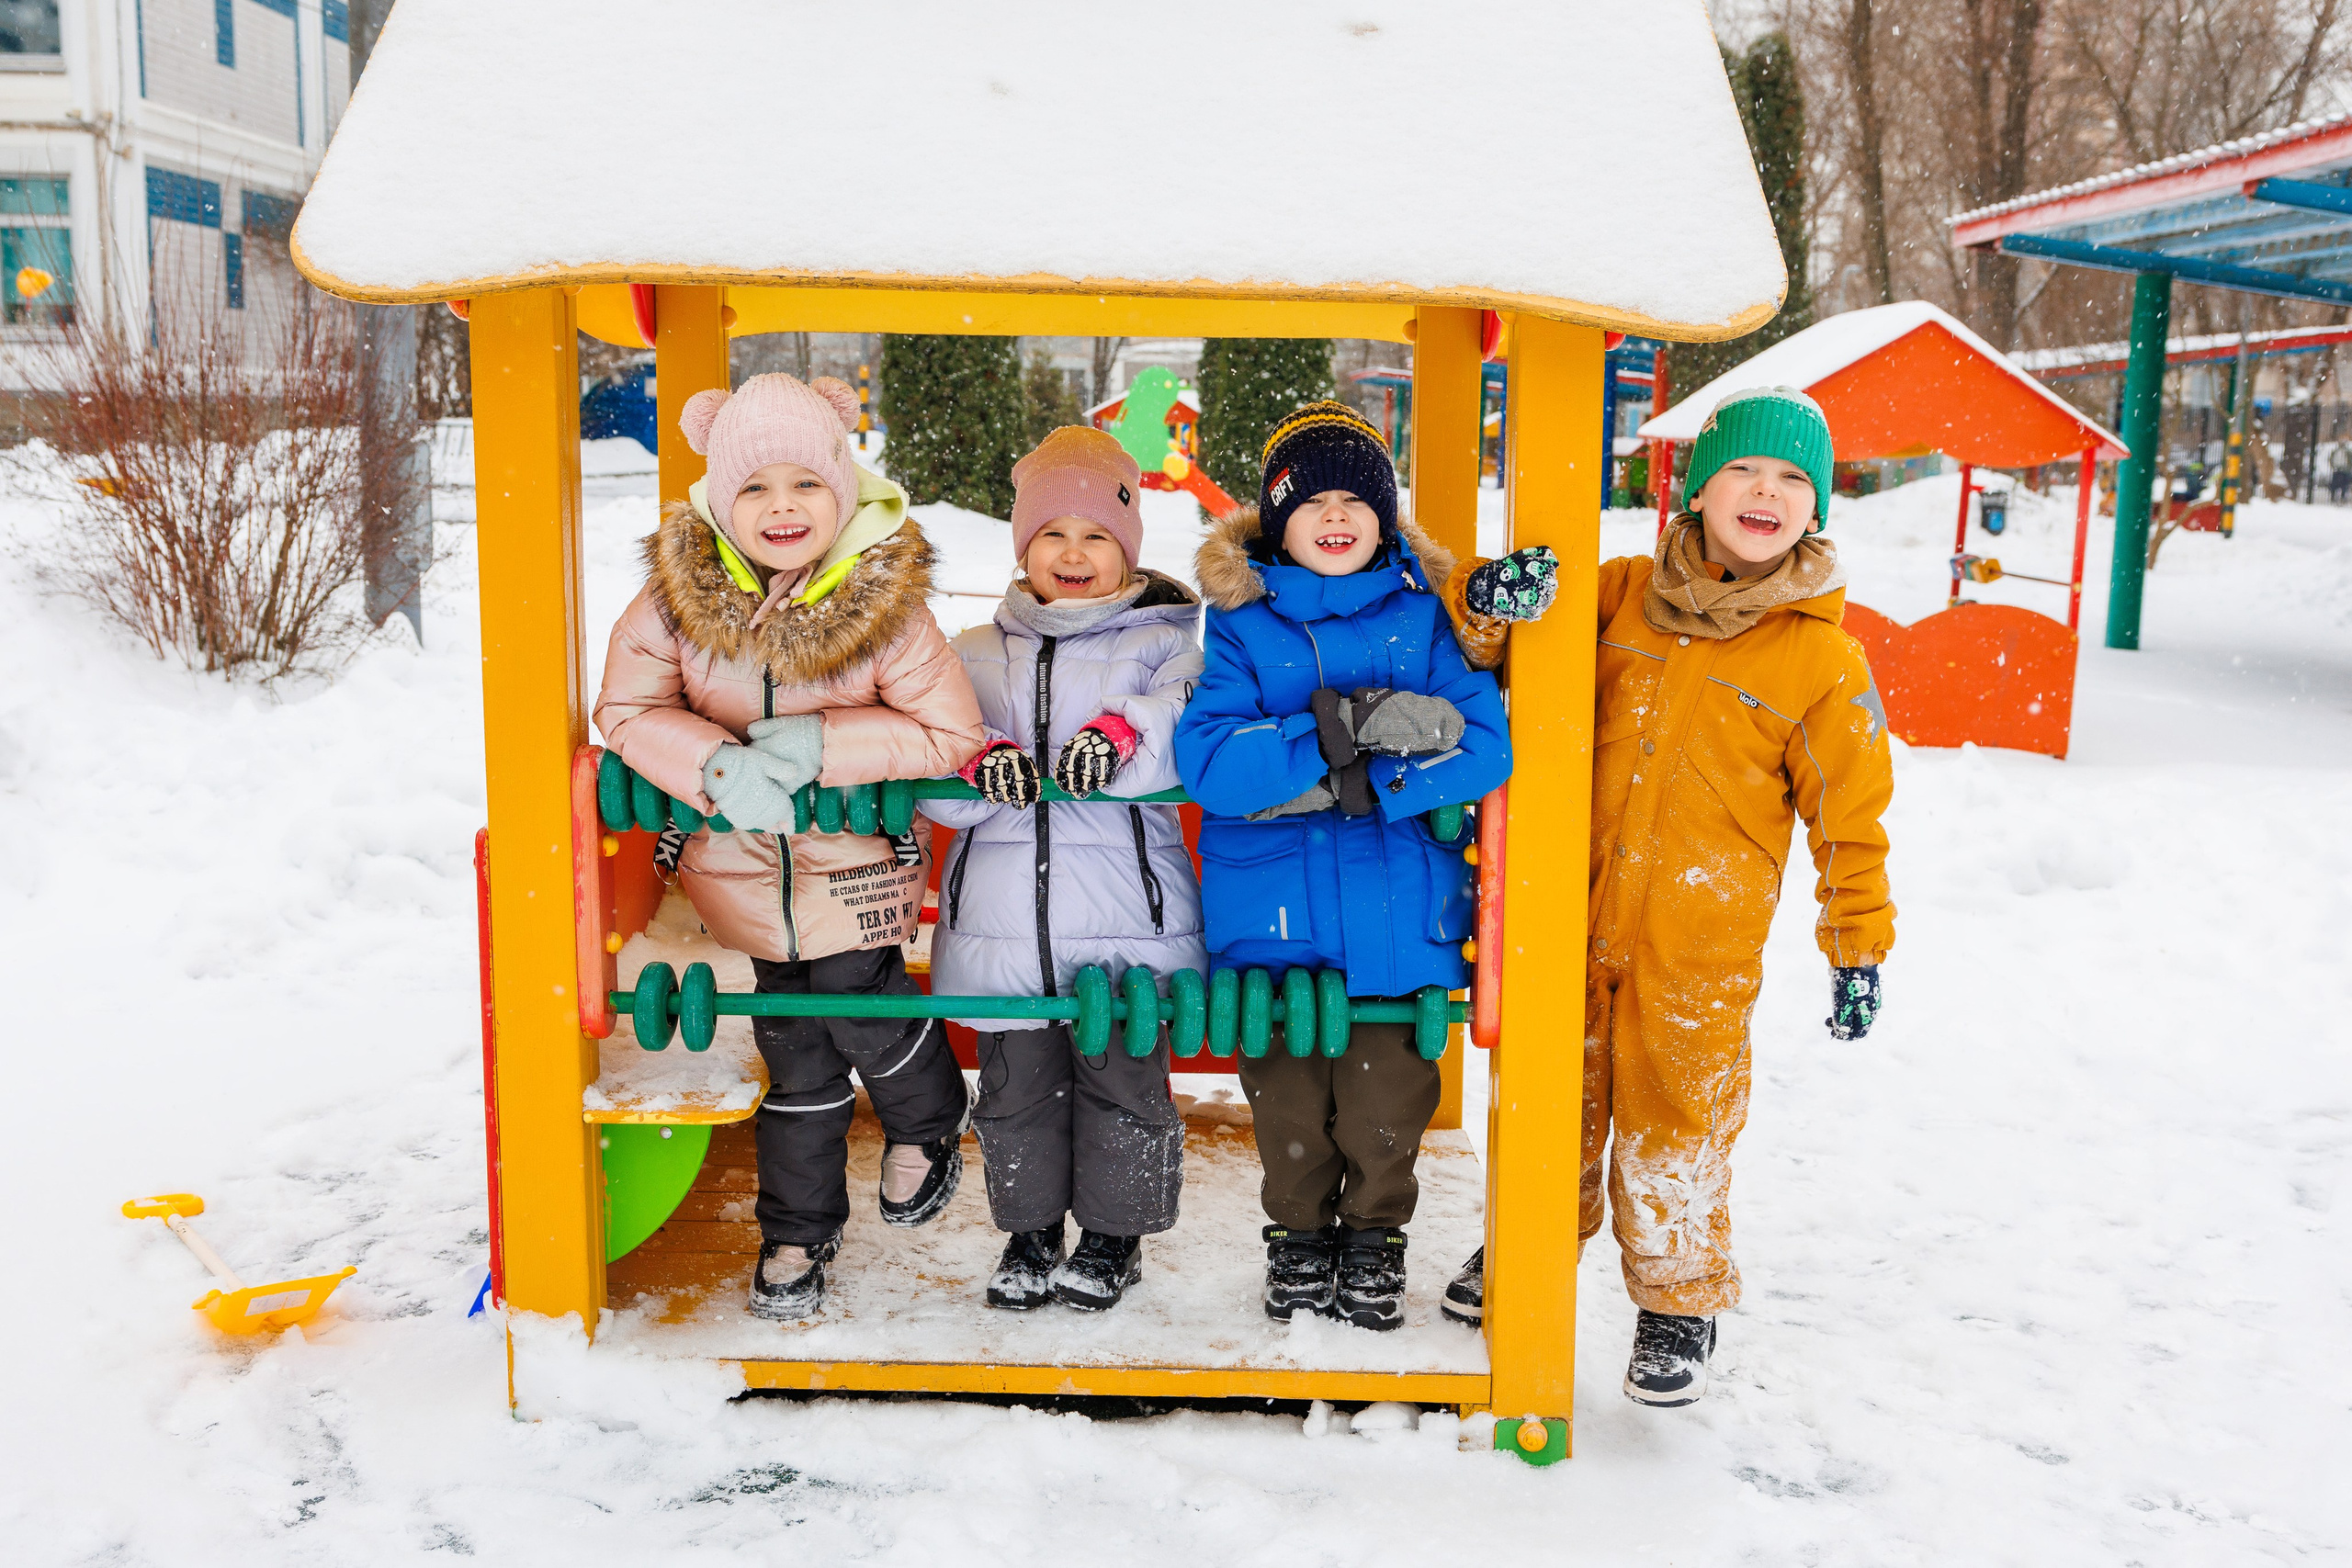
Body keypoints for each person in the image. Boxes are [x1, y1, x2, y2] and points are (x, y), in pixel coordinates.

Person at [1440, 385, 1895, 1405]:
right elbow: (1486, 650)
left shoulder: (1822, 660)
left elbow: (1849, 816)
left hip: (1697, 946)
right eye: (1742, 469)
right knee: (1554, 1102)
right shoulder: (1616, 595)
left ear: (1813, 508)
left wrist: (1856, 944)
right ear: (1699, 488)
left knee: (1676, 1124)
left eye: (1790, 479)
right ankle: (1523, 1251)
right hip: (1564, 915)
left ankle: (1677, 1302)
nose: (1764, 492)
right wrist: (1489, 604)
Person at [594, 373, 988, 1321]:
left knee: (856, 991)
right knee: (793, 1045)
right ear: (719, 499)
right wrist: (716, 767)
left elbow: (952, 736)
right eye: (755, 486)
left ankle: (926, 1121)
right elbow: (627, 708)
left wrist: (822, 746)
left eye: (805, 484)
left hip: (859, 858)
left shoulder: (885, 606)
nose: (781, 507)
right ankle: (799, 1229)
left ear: (842, 491)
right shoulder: (673, 604)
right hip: (735, 866)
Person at [1176, 401, 1549, 1331]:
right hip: (1273, 917)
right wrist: (1344, 730)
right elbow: (1214, 764)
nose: (1335, 516)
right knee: (1291, 1109)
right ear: (1275, 519)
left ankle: (1375, 1243)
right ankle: (1298, 1242)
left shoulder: (1423, 620)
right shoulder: (1241, 624)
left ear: (1385, 517)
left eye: (1357, 499)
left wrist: (1348, 785)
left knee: (1386, 1109)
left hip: (1397, 911)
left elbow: (1482, 748)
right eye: (1312, 503)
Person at [921, 427, 1204, 1313]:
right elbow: (936, 773)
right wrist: (974, 762)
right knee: (1014, 1092)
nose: (1073, 553)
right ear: (1022, 546)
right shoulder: (969, 652)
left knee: (1124, 1080)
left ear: (1128, 552)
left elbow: (1185, 736)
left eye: (1096, 537)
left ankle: (1115, 1238)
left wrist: (1124, 734)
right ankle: (1031, 1231)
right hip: (1000, 923)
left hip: (1128, 917)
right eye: (1051, 535)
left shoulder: (1170, 645)